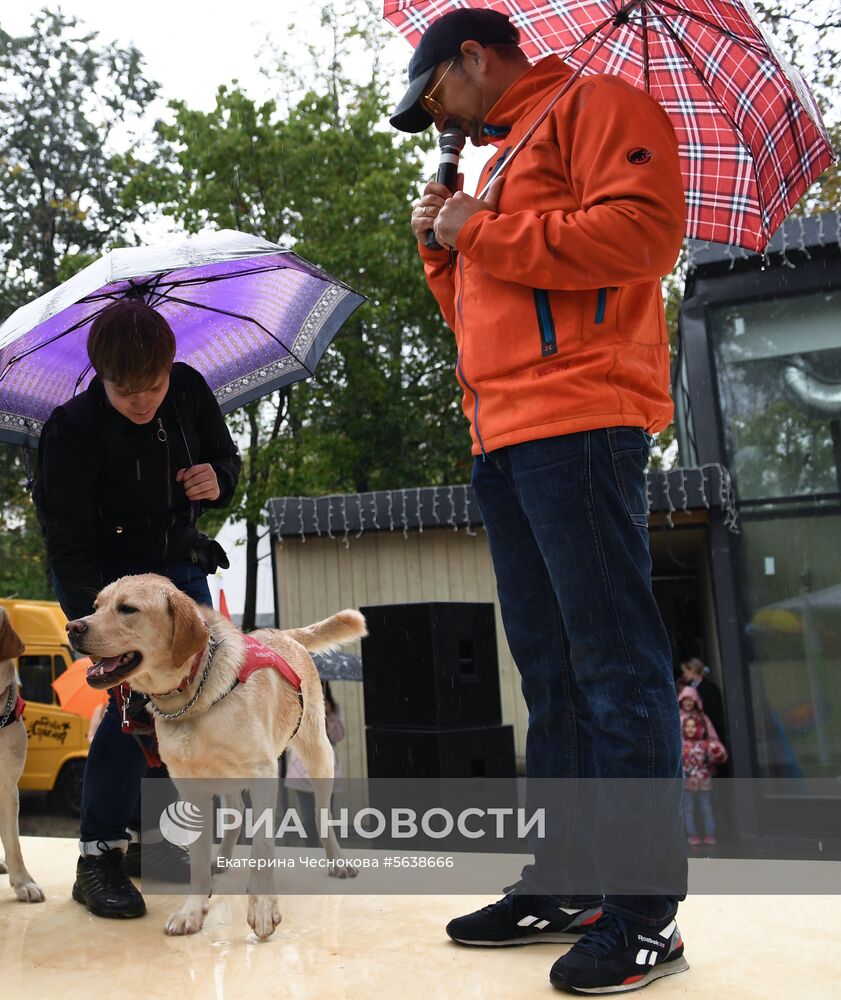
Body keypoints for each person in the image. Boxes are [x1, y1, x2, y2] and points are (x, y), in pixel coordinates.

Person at [393, 8, 688, 994]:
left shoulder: (596, 106)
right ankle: (564, 880)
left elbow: (643, 237)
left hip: (582, 422)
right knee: (552, 673)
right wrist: (448, 245)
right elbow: (491, 307)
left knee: (615, 663)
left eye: (436, 94)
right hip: (505, 434)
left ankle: (645, 916)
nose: (438, 117)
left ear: (476, 57)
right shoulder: (504, 154)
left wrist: (483, 224)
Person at [33, 298, 241, 919]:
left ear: (172, 366)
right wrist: (94, 628)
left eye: (154, 385)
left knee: (199, 708)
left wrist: (219, 480)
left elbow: (226, 461)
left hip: (180, 575)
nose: (144, 400)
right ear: (101, 376)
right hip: (108, 587)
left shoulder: (190, 390)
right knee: (131, 711)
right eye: (126, 391)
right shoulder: (70, 431)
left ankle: (165, 843)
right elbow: (65, 543)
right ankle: (98, 857)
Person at [284, 681, 345, 846]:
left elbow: (338, 736)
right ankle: (310, 850)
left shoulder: (333, 708)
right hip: (302, 769)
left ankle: (328, 852)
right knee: (309, 818)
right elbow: (294, 736)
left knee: (326, 816)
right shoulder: (299, 705)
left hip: (326, 769)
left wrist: (330, 717)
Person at [678, 691, 727, 847]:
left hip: (704, 780)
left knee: (706, 807)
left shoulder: (703, 725)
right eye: (685, 700)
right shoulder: (677, 720)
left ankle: (710, 834)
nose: (688, 703)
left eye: (690, 700)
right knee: (689, 809)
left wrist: (717, 752)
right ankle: (692, 835)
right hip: (687, 781)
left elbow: (715, 750)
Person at [679, 657, 727, 750]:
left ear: (693, 670)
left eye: (685, 672)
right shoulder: (690, 688)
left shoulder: (709, 689)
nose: (684, 675)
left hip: (708, 731)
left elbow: (714, 714)